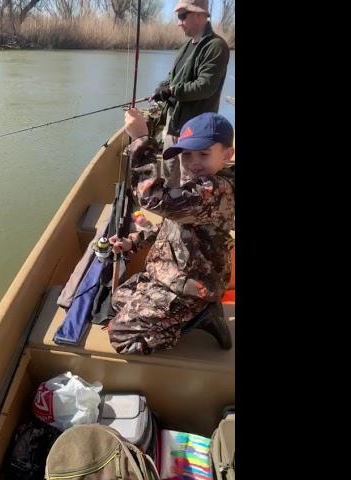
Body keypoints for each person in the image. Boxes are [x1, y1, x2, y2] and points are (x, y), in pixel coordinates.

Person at [107, 109, 235, 355]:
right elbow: (172, 226)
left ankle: (197, 314)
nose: (194, 162)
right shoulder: (197, 187)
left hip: (190, 287)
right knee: (118, 298)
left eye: (204, 154)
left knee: (121, 335)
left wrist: (141, 140)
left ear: (227, 155)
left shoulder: (215, 190)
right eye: (186, 155)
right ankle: (199, 314)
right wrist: (133, 241)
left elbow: (152, 199)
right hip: (167, 275)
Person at [151, 0, 230, 186]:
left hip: (196, 130)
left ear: (199, 15)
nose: (178, 22)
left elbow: (205, 86)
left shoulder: (216, 46)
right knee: (169, 172)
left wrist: (172, 91)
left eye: (182, 16)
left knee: (191, 180)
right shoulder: (186, 47)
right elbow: (173, 78)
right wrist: (162, 87)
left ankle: (187, 214)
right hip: (174, 124)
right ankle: (170, 212)